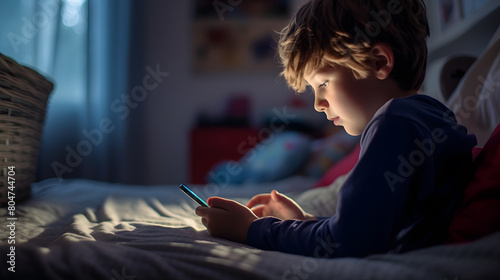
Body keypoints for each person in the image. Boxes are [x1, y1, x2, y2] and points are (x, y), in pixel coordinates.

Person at [196, 0, 477, 258]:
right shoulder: (426, 118)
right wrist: (304, 223)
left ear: (378, 62)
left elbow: (345, 241)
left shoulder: (395, 122)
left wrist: (251, 230)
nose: (318, 104)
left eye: (323, 84)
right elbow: (370, 229)